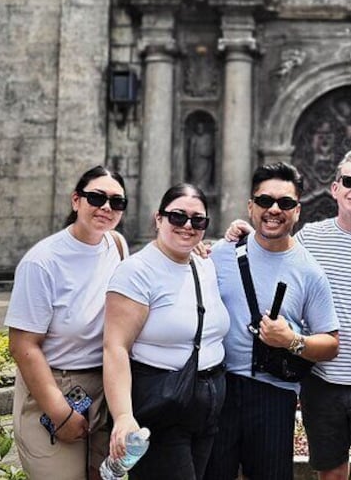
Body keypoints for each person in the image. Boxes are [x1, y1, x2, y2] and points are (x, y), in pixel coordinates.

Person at [227, 149, 351, 480]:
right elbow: (269, 248)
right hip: (321, 380)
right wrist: (237, 232)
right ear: (335, 188)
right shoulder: (309, 238)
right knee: (330, 474)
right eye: (349, 181)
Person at [206, 162, 340, 480]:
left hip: (273, 394)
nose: (274, 210)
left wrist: (292, 340)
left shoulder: (310, 270)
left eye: (285, 203)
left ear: (297, 211)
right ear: (251, 206)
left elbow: (331, 344)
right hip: (218, 388)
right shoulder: (219, 254)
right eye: (265, 201)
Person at [5, 165, 129, 480]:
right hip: (53, 386)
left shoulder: (116, 245)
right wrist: (59, 413)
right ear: (76, 201)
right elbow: (23, 346)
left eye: (116, 202)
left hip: (106, 385)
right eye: (96, 197)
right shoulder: (42, 262)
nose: (106, 207)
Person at [103, 183, 230, 480]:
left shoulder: (204, 265)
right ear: (158, 218)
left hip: (207, 407)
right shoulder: (137, 271)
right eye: (177, 217)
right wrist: (123, 416)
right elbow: (115, 347)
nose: (188, 226)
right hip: (162, 408)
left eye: (198, 220)